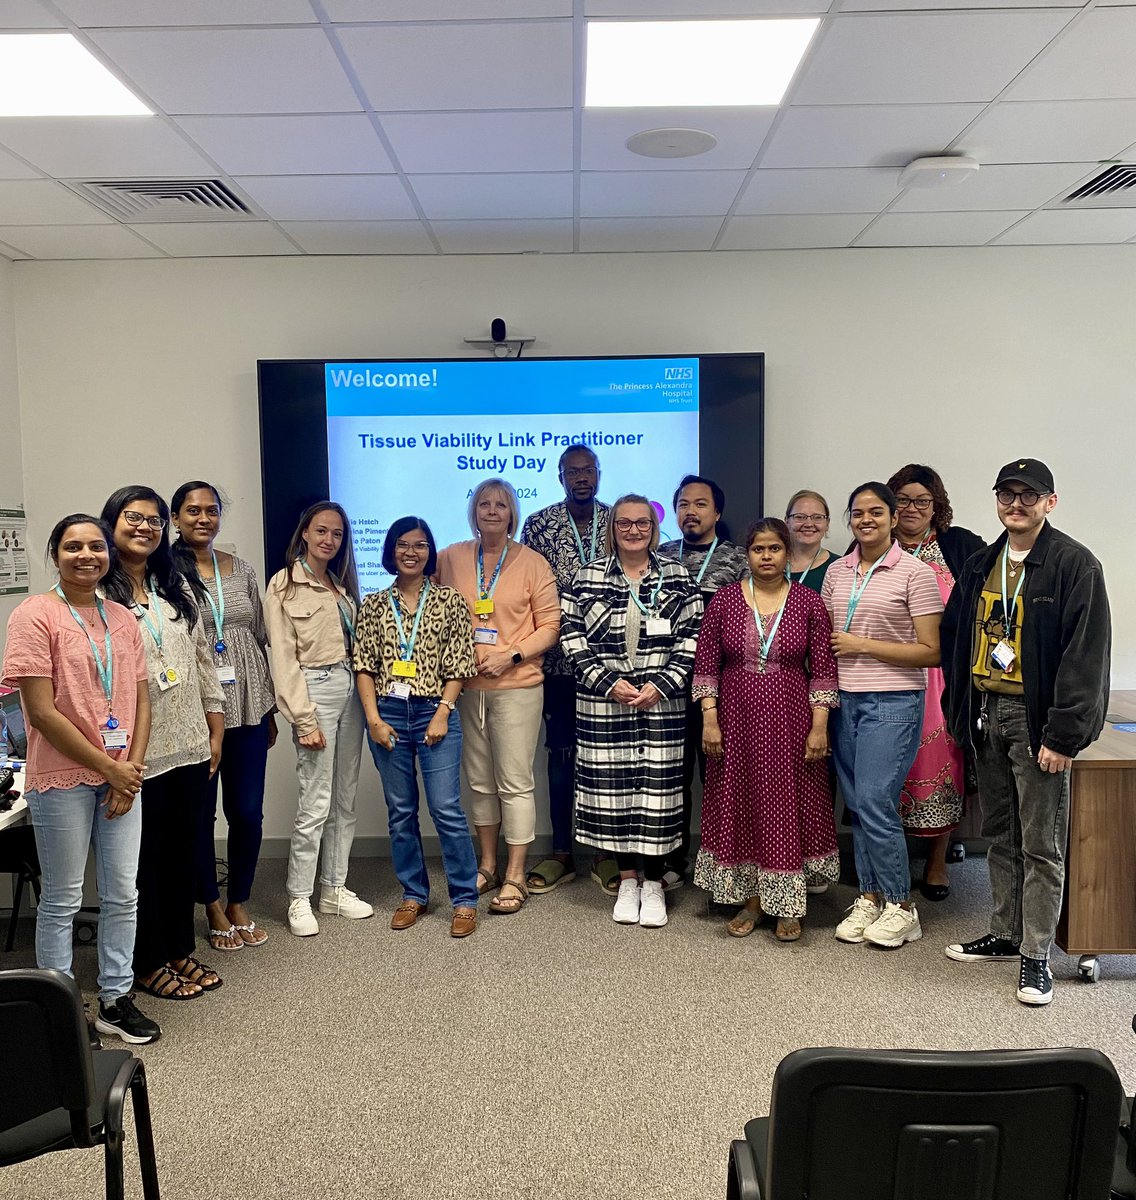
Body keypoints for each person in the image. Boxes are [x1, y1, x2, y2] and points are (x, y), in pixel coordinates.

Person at [941, 459, 1110, 1007]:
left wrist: (1063, 736)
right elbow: (953, 641)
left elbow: (1084, 658)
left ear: (1050, 502)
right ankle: (1006, 934)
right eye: (1007, 495)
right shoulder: (980, 564)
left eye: (1028, 495)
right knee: (1002, 836)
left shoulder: (1073, 564)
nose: (1017, 504)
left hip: (1037, 721)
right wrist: (959, 711)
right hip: (988, 714)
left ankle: (1037, 957)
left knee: (1042, 842)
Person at [1, 514, 160, 1043]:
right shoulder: (34, 615)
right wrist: (111, 768)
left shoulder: (122, 617)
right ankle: (62, 1008)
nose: (86, 555)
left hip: (121, 777)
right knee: (64, 899)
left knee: (123, 894)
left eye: (96, 546)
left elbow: (141, 700)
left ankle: (115, 998)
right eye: (73, 547)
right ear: (56, 554)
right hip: (64, 778)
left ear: (107, 555)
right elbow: (41, 713)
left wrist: (128, 771)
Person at [101, 485, 227, 1002]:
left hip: (191, 744)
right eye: (134, 518)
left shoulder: (175, 588)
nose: (145, 528)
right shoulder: (100, 594)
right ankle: (146, 959)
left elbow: (200, 661)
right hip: (136, 754)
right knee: (144, 862)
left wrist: (216, 723)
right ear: (112, 524)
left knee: (184, 853)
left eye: (154, 521)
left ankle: (178, 949)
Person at [560, 494, 703, 928]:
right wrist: (609, 683)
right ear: (612, 528)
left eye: (643, 523)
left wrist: (660, 686)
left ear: (654, 529)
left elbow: (691, 638)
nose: (634, 530)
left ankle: (655, 883)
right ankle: (626, 880)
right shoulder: (585, 577)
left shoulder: (677, 576)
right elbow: (571, 639)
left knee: (658, 796)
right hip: (604, 704)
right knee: (614, 793)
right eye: (625, 523)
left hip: (663, 705)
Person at [693, 518, 840, 941]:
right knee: (744, 800)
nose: (767, 556)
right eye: (759, 549)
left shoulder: (808, 603)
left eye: (775, 549)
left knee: (784, 803)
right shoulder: (723, 601)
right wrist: (709, 718)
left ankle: (788, 903)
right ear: (747, 554)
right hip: (735, 720)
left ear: (786, 552)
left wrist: (819, 727)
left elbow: (824, 673)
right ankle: (753, 900)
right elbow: (706, 667)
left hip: (791, 721)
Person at [821, 482, 943, 950]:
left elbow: (931, 652)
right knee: (858, 803)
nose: (865, 520)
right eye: (857, 513)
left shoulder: (915, 573)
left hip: (892, 703)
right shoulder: (836, 572)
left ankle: (901, 905)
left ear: (894, 518)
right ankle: (869, 897)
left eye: (876, 512)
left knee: (874, 801)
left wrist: (862, 645)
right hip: (845, 702)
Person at [437, 478, 559, 915]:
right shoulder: (449, 557)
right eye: (484, 503)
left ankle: (516, 874)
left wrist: (511, 655)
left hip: (517, 687)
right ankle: (487, 865)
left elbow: (550, 626)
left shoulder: (532, 563)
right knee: (478, 780)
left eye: (501, 505)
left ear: (512, 514)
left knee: (514, 780)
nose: (492, 511)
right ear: (473, 511)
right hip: (466, 689)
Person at [355, 517, 480, 938]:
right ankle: (414, 894)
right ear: (390, 551)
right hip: (387, 714)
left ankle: (464, 899)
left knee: (446, 809)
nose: (412, 552)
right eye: (403, 545)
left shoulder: (449, 601)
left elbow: (461, 663)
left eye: (421, 545)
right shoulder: (372, 604)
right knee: (401, 812)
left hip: (434, 710)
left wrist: (444, 712)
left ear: (431, 551)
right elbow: (364, 667)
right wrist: (373, 719)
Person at [171, 481, 277, 952]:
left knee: (248, 812)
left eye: (211, 511)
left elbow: (256, 635)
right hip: (195, 706)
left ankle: (239, 899)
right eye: (192, 511)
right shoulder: (164, 571)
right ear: (175, 518)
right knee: (199, 813)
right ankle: (210, 905)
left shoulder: (243, 569)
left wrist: (270, 707)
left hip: (250, 702)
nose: (203, 519)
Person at [265, 502, 371, 937]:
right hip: (316, 692)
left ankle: (334, 888)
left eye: (338, 534)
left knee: (345, 798)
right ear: (304, 533)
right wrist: (303, 719)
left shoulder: (340, 584)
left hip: (351, 690)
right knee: (315, 801)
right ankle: (298, 897)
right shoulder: (284, 584)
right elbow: (283, 658)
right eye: (321, 531)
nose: (330, 540)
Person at [886, 464, 985, 903]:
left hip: (944, 679)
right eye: (903, 500)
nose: (911, 509)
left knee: (946, 764)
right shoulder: (873, 544)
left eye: (921, 501)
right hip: (888, 673)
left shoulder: (962, 546)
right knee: (890, 767)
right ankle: (888, 861)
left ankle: (937, 860)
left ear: (936, 506)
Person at [519, 444, 611, 896]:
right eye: (572, 472)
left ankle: (605, 853)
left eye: (588, 470)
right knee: (560, 757)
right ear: (560, 477)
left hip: (611, 663)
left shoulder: (618, 520)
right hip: (556, 662)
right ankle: (560, 851)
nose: (581, 478)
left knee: (605, 758)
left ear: (598, 474)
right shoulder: (539, 524)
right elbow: (526, 587)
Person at [658, 474, 748, 888]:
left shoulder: (741, 559)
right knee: (674, 776)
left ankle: (722, 860)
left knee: (719, 774)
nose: (690, 512)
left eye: (700, 504)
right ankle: (673, 859)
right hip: (667, 685)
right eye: (683, 505)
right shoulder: (659, 557)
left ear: (717, 512)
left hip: (723, 689)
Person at [785, 490, 837, 594]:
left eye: (817, 517)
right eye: (800, 517)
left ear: (827, 523)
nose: (809, 524)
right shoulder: (770, 563)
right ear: (787, 521)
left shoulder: (839, 568)